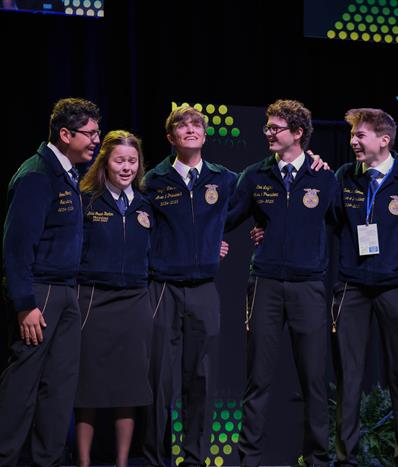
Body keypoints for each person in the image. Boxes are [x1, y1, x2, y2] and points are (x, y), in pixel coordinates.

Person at [0, 97, 100, 467]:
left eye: (97, 133)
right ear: (65, 134)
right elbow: (17, 247)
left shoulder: (69, 174)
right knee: (23, 385)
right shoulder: (36, 175)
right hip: (40, 294)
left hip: (66, 292)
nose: (96, 140)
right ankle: (0, 461)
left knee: (60, 387)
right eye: (89, 133)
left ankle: (47, 461)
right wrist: (25, 304)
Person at [226, 99, 337, 467]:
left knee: (314, 381)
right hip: (265, 285)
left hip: (309, 286)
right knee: (257, 379)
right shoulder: (254, 176)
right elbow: (226, 218)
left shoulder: (324, 177)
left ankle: (318, 458)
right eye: (268, 127)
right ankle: (249, 460)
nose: (268, 133)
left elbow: (346, 223)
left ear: (298, 133)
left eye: (276, 128)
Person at [141, 105, 238, 467]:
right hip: (162, 289)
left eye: (197, 124)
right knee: (159, 380)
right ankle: (156, 459)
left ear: (205, 134)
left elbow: (257, 203)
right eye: (182, 126)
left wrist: (215, 241)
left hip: (203, 289)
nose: (191, 129)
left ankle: (195, 459)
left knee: (201, 378)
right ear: (171, 137)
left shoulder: (224, 179)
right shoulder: (152, 180)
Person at [330, 108, 398, 466]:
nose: (352, 141)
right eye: (352, 135)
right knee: (349, 375)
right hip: (352, 286)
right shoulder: (344, 176)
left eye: (360, 135)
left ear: (384, 140)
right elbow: (325, 218)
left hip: (395, 287)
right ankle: (346, 458)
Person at [74, 130, 154, 467]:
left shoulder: (146, 204)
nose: (126, 167)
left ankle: (122, 462)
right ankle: (83, 462)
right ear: (105, 161)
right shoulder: (87, 200)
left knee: (129, 387)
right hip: (94, 300)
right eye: (120, 160)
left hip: (135, 302)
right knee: (88, 387)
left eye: (132, 161)